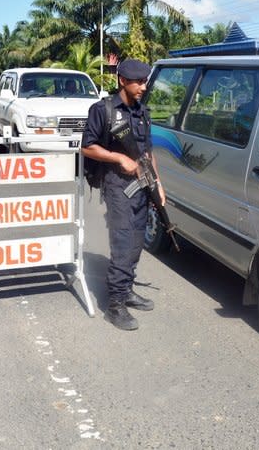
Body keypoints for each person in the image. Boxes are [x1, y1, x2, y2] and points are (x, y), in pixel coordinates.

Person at [81, 59, 163, 331]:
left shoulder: (143, 112)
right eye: (138, 82)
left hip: (142, 186)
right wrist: (117, 157)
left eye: (145, 81)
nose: (143, 86)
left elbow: (148, 152)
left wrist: (158, 184)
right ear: (122, 81)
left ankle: (126, 290)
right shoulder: (102, 110)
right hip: (116, 186)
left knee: (138, 241)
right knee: (123, 242)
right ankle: (115, 304)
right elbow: (87, 147)